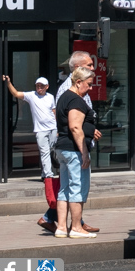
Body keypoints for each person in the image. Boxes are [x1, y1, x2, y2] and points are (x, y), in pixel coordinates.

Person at [49, 52, 101, 233]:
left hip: (64, 148)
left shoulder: (65, 94)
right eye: (88, 84)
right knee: (77, 188)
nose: (91, 88)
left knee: (65, 189)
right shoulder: (74, 98)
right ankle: (77, 227)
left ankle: (62, 227)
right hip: (73, 148)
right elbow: (75, 127)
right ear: (78, 81)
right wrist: (84, 152)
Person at [3, 75, 58, 232]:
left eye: (42, 86)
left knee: (53, 151)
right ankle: (48, 175)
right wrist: (8, 83)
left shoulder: (50, 97)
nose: (39, 88)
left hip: (52, 128)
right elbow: (16, 94)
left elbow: (54, 112)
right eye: (37, 85)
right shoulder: (31, 96)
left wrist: (57, 128)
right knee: (44, 153)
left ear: (47, 87)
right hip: (40, 130)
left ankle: (50, 172)